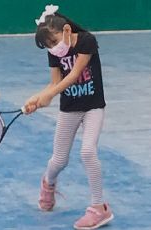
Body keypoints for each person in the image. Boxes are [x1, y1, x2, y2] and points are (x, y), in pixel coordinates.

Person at [24, 5, 114, 230]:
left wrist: (49, 96)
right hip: (69, 110)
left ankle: (99, 208)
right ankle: (48, 184)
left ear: (66, 30)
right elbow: (54, 83)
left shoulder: (86, 41)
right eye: (48, 46)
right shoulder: (55, 53)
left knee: (87, 152)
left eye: (54, 42)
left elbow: (74, 75)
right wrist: (36, 98)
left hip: (93, 107)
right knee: (58, 161)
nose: (53, 48)